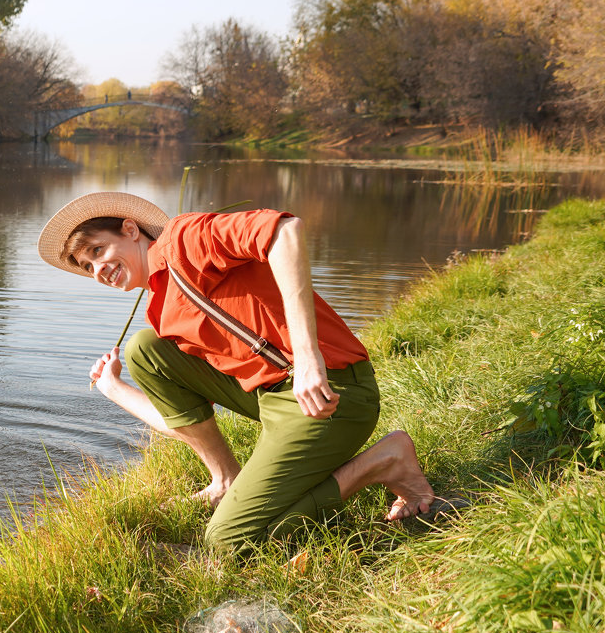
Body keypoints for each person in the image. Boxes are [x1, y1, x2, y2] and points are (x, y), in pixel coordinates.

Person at [37, 191, 435, 551]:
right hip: (274, 401)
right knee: (144, 350)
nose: (99, 271)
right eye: (89, 267)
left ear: (130, 229)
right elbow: (183, 423)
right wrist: (114, 388)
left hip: (332, 394)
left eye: (100, 251)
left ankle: (384, 461)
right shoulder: (160, 313)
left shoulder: (184, 239)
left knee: (228, 541)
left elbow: (284, 230)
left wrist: (308, 356)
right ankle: (225, 479)